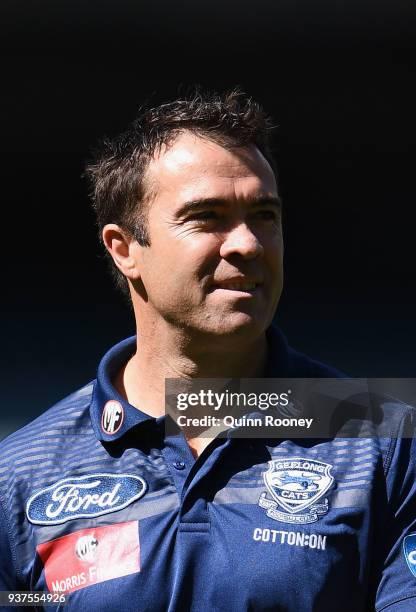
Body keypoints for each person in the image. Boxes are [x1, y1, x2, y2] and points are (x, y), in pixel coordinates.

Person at [0, 89, 415, 611]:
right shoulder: (20, 476)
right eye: (208, 216)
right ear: (125, 248)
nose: (247, 243)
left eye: (265, 215)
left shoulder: (383, 445)